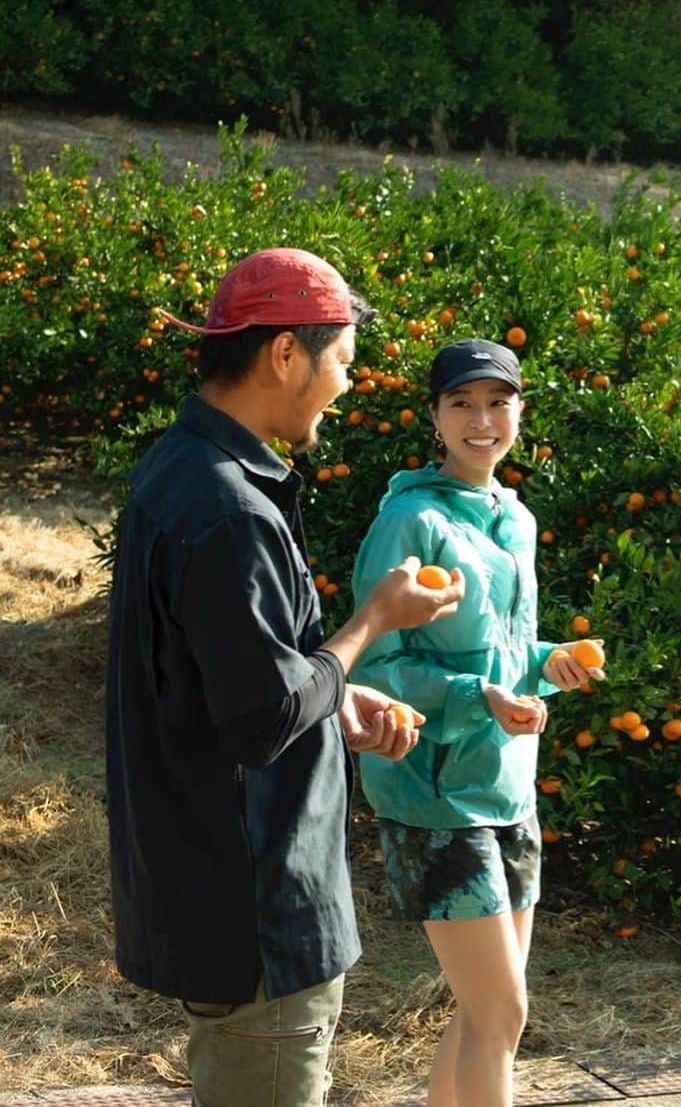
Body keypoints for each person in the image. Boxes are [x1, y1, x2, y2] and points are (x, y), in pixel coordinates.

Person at [105, 247, 465, 1107]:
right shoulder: (231, 509)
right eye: (340, 359)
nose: (344, 383)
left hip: (217, 892)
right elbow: (262, 716)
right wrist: (373, 622)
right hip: (258, 910)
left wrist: (336, 697)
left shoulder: (182, 470)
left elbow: (220, 682)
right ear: (283, 356)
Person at [348, 338, 602, 1107]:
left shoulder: (515, 518)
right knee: (502, 1010)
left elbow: (505, 647)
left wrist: (550, 660)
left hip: (505, 786)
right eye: (462, 402)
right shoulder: (408, 520)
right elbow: (371, 670)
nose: (481, 419)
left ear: (519, 411)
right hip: (431, 793)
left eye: (497, 401)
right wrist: (477, 698)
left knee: (483, 1009)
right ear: (435, 416)